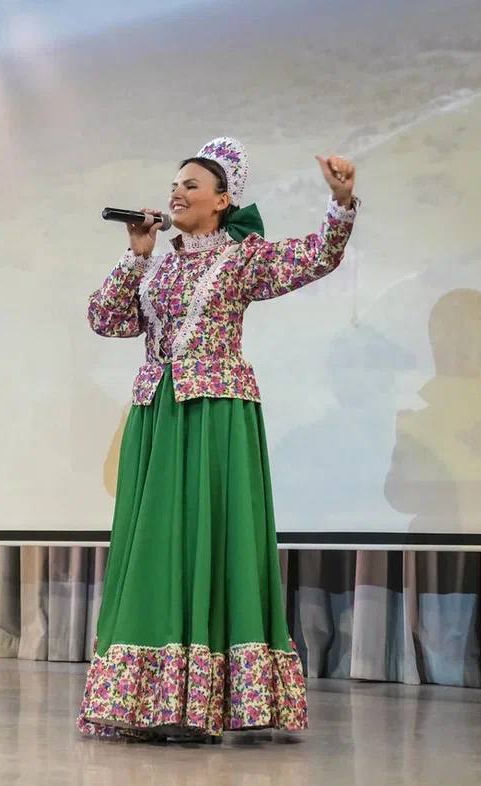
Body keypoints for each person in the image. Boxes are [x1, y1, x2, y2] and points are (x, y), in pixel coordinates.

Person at [78, 137, 358, 740]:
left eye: (191, 185)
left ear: (223, 200)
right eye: (174, 185)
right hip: (158, 415)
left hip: (215, 416)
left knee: (210, 536)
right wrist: (136, 255)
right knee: (156, 544)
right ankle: (151, 698)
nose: (176, 193)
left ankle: (207, 701)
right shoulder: (158, 265)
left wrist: (340, 203)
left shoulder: (242, 258)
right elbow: (105, 319)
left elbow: (317, 256)